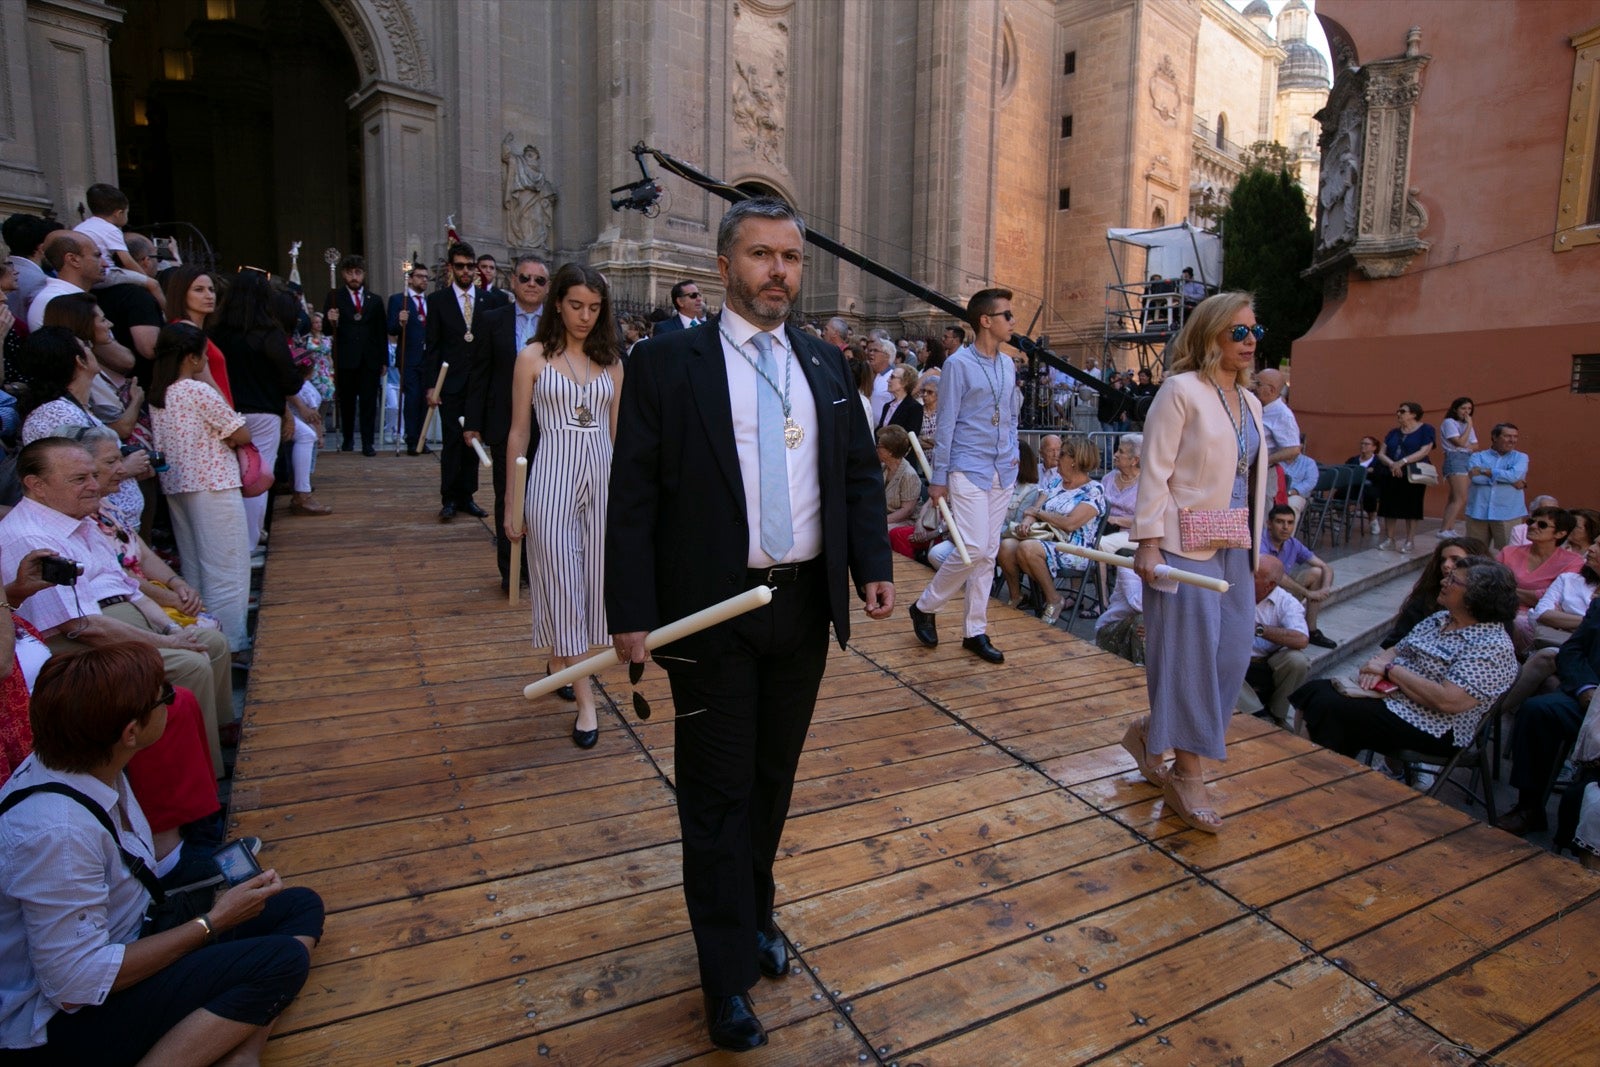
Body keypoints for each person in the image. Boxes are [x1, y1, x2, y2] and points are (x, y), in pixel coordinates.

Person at [605, 197, 892, 1052]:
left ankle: (756, 912)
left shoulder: (824, 362)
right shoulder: (666, 363)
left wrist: (873, 565)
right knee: (717, 795)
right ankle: (723, 973)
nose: (779, 272)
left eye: (791, 258)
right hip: (710, 612)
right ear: (727, 265)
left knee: (771, 779)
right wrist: (630, 613)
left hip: (801, 610)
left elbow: (857, 477)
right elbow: (633, 499)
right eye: (762, 256)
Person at [0, 643, 324, 1064]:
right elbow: (75, 986)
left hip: (132, 935)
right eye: (164, 696)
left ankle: (238, 1048)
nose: (172, 700)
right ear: (130, 731)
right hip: (60, 1026)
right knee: (279, 961)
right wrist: (211, 923)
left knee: (298, 907)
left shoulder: (90, 764)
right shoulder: (56, 834)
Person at [0, 439, 234, 776]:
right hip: (72, 648)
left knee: (211, 643)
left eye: (94, 475)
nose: (95, 486)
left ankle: (218, 734)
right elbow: (83, 627)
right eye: (79, 479)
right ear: (36, 485)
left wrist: (171, 626)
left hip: (112, 622)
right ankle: (205, 777)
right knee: (190, 663)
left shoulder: (76, 520)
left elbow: (125, 585)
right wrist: (169, 642)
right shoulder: (31, 536)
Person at [1124, 292, 1269, 834]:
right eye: (1239, 331)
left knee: (1231, 658)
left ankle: (1151, 728)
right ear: (1210, 335)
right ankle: (1188, 775)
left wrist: (1260, 547)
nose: (1250, 340)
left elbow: (1253, 480)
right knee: (1188, 657)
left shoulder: (1252, 403)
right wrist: (1147, 542)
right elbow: (1154, 470)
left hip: (1235, 545)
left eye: (1255, 331)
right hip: (1182, 543)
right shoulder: (1179, 390)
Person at [505, 264, 623, 748]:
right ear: (557, 303)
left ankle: (561, 661)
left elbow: (618, 436)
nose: (585, 316)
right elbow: (518, 432)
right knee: (558, 579)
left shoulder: (613, 362)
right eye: (576, 305)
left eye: (594, 308)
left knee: (592, 586)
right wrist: (513, 502)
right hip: (550, 475)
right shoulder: (532, 357)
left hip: (602, 479)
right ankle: (586, 702)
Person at [1292, 557, 1518, 762]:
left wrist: (1390, 670)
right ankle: (1307, 769)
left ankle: (1309, 774)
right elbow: (1397, 649)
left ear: (1475, 596)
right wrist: (1376, 667)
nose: (1443, 582)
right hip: (1396, 701)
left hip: (1435, 727)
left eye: (1453, 580)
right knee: (1316, 690)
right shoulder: (1441, 618)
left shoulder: (1492, 646)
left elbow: (1448, 700)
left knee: (1332, 708)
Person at [907, 288, 1020, 665]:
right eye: (1006, 315)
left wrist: (1015, 454)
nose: (1012, 321)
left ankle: (975, 630)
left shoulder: (1008, 364)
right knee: (972, 548)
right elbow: (947, 422)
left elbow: (1012, 416)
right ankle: (925, 605)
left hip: (1002, 468)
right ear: (985, 320)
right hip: (967, 466)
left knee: (987, 554)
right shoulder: (958, 364)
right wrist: (939, 478)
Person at [147, 323, 254, 661]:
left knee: (195, 564)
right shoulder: (195, 390)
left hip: (179, 484)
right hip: (213, 482)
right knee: (227, 566)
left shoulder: (158, 394)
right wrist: (208, 379)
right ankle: (231, 641)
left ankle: (205, 630)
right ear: (193, 357)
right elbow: (241, 433)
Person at [467, 256, 550, 592]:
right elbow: (479, 373)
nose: (532, 284)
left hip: (549, 424)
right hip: (504, 422)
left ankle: (541, 566)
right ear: (513, 281)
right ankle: (511, 571)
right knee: (509, 495)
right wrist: (473, 422)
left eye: (539, 280)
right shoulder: (492, 320)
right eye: (525, 278)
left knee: (543, 497)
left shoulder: (557, 324)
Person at [212, 268, 299, 552]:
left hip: (223, 411)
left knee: (227, 478)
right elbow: (289, 378)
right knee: (256, 477)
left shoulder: (216, 331)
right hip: (262, 411)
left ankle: (229, 540)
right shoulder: (267, 333)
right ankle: (248, 543)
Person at [1500, 598, 1600, 836]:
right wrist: (1585, 688)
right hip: (1590, 695)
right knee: (1538, 711)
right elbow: (1572, 650)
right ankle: (1529, 808)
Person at [1001, 436, 1106, 624]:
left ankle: (1054, 599)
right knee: (1007, 546)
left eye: (1063, 453)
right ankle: (1016, 596)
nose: (1058, 457)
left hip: (1074, 549)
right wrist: (1027, 520)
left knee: (1028, 549)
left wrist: (1038, 514)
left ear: (1074, 460)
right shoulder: (1056, 482)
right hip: (1045, 539)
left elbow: (1070, 524)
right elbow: (1036, 507)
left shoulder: (1093, 490)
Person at [425, 243, 488, 520]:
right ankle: (449, 497)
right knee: (452, 441)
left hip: (479, 385)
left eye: (470, 266)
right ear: (451, 268)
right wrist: (432, 386)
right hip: (450, 384)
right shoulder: (438, 301)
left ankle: (468, 496)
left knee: (474, 441)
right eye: (460, 265)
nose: (466, 271)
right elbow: (433, 346)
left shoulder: (489, 301)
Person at [322, 254, 388, 456]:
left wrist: (383, 360)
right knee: (347, 401)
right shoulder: (334, 298)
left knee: (369, 402)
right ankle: (348, 438)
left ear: (363, 274)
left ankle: (368, 442)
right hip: (346, 357)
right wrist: (330, 319)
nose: (354, 277)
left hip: (369, 358)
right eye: (350, 272)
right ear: (343, 274)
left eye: (357, 272)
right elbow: (326, 330)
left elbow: (380, 331)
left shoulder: (374, 300)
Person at [1381, 535, 1490, 648]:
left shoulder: (1491, 609)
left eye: (1455, 559)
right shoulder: (1426, 599)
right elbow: (1395, 643)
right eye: (1443, 560)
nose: (1446, 565)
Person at [1499, 505, 1582, 651]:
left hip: (1541, 620)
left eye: (1542, 525)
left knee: (1517, 623)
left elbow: (1555, 598)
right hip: (1500, 609)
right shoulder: (1508, 552)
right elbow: (1490, 585)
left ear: (1560, 533)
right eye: (1531, 521)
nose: (1533, 526)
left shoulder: (1573, 561)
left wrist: (1507, 588)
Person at [1244, 555, 1311, 729]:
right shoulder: (1234, 589)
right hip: (1234, 657)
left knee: (1298, 661)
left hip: (1265, 661)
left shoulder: (1286, 602)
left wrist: (1259, 629)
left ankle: (1278, 715)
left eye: (1255, 575)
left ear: (1270, 585)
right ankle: (1259, 714)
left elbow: (1302, 639)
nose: (1247, 576)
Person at [1260, 503, 1338, 648]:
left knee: (1318, 573)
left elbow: (1325, 566)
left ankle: (1311, 630)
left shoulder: (1292, 543)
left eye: (1290, 523)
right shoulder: (1261, 542)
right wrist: (1308, 593)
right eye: (1280, 522)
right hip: (1261, 596)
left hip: (1281, 593)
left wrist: (1325, 589)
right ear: (1269, 524)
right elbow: (1276, 576)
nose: (1285, 527)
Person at [162, 265, 233, 404]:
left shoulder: (195, 330)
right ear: (181, 293)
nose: (209, 296)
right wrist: (231, 418)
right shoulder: (186, 330)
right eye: (199, 290)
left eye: (211, 290)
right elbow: (206, 382)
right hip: (214, 412)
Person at [1376, 401, 1436, 553]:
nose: (1398, 413)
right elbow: (1381, 453)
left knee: (1412, 506)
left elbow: (1424, 450)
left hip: (1412, 473)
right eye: (1398, 411)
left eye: (1402, 411)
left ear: (1414, 414)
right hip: (1391, 472)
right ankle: (1389, 538)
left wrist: (1402, 462)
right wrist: (1392, 464)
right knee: (1389, 506)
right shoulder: (1393, 432)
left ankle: (1410, 541)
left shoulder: (1426, 429)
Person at [387, 264, 431, 452]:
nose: (424, 280)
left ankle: (422, 439)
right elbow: (391, 329)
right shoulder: (399, 300)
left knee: (425, 399)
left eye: (426, 277)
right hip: (409, 357)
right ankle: (411, 438)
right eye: (420, 276)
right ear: (411, 278)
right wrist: (400, 321)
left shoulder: (430, 301)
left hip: (427, 357)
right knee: (412, 398)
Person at [1465, 422, 1528, 552]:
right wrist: (1509, 479)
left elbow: (1514, 476)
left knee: (1510, 554)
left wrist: (1487, 471)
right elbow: (1476, 478)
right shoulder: (1477, 456)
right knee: (1475, 552)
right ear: (1494, 437)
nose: (1512, 440)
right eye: (1507, 436)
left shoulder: (1521, 457)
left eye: (1515, 437)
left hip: (1508, 513)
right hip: (1478, 512)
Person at [1438, 396, 1478, 537]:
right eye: (1463, 408)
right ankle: (1443, 530)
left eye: (1469, 409)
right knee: (1460, 497)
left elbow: (1475, 445)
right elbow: (1459, 443)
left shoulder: (1466, 425)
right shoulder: (1449, 422)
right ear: (1455, 409)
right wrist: (1469, 426)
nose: (1466, 412)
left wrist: (1465, 442)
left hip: (1466, 458)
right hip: (1454, 459)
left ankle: (1449, 527)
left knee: (1454, 497)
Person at [877, 424, 922, 538]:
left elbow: (907, 511)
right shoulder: (883, 468)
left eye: (879, 446)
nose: (876, 448)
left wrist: (878, 522)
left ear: (890, 451)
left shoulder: (908, 475)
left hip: (905, 521)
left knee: (876, 532)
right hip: (885, 517)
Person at [1345, 435, 1383, 536]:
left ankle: (1373, 520)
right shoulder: (1353, 460)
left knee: (1369, 494)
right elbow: (1346, 471)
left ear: (1374, 447)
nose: (1363, 446)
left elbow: (1379, 476)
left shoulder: (1378, 462)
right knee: (1340, 493)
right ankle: (1342, 519)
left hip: (1370, 486)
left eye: (1366, 444)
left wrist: (1370, 473)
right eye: (1362, 443)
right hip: (1354, 486)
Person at [876, 363, 922, 437]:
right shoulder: (887, 406)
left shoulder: (914, 408)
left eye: (892, 377)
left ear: (905, 382)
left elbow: (910, 437)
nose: (888, 380)